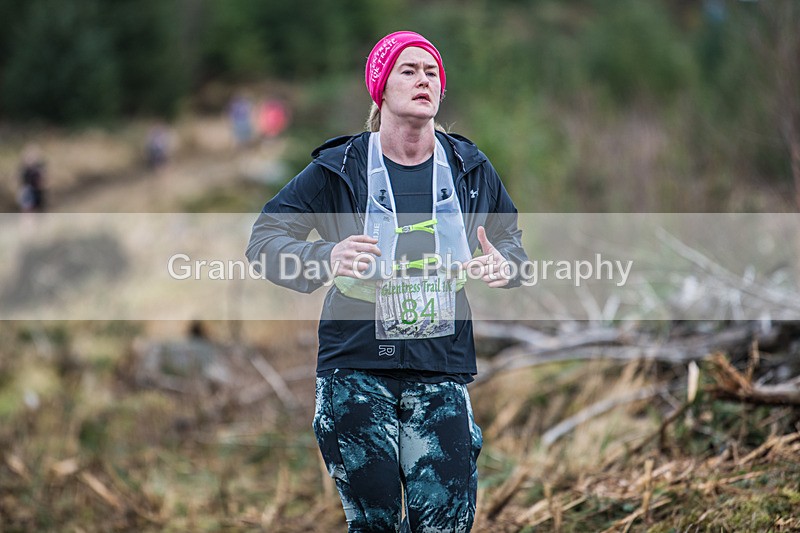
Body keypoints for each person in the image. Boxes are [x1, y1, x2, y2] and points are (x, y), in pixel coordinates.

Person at [246, 31, 528, 532]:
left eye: (432, 72)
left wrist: (505, 267)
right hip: (355, 369)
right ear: (380, 88)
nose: (424, 81)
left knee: (444, 525)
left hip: (440, 367)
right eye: (409, 70)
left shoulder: (469, 167)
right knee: (374, 526)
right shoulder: (339, 167)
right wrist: (325, 255)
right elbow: (264, 241)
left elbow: (513, 249)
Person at [18, 144, 47, 212]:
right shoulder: (24, 169)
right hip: (28, 192)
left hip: (37, 191)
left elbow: (43, 181)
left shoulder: (38, 168)